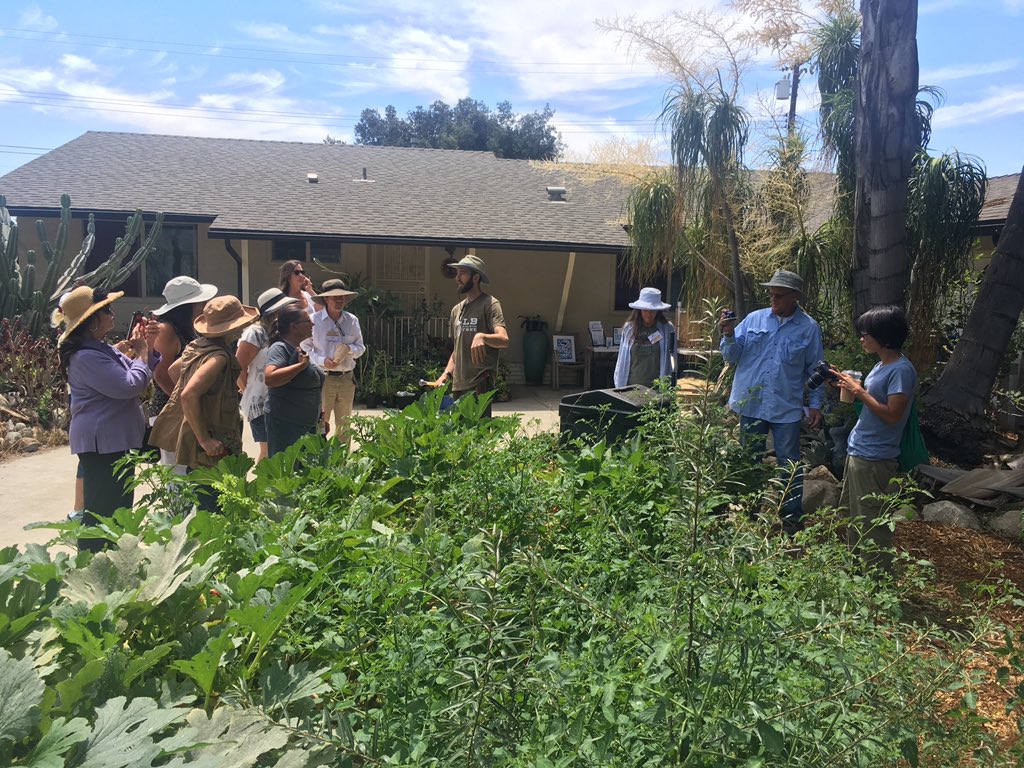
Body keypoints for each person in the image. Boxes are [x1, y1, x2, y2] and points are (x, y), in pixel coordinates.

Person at [718, 269, 825, 533]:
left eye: (779, 295)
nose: (773, 299)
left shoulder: (808, 328)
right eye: (771, 293)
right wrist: (729, 334)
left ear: (795, 297)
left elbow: (817, 369)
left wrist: (815, 404)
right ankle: (747, 513)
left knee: (788, 465)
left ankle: (791, 521)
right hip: (751, 405)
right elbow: (731, 358)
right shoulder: (753, 320)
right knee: (749, 461)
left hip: (785, 407)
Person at [57, 286, 152, 551]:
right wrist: (142, 353)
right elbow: (129, 385)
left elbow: (135, 372)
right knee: (102, 510)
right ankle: (92, 563)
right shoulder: (87, 356)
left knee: (117, 507)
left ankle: (110, 560)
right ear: (92, 322)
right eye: (106, 311)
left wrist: (140, 350)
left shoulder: (100, 349)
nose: (112, 315)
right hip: (103, 443)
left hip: (112, 441)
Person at [150, 297, 258, 511]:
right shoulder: (219, 357)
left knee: (197, 496)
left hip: (197, 442)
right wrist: (205, 439)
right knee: (213, 506)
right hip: (214, 446)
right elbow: (188, 395)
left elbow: (173, 371)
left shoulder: (196, 346)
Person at [833, 306, 916, 572]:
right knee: (853, 516)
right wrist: (846, 383)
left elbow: (893, 415)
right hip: (860, 451)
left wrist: (858, 392)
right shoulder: (882, 365)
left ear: (884, 336)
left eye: (865, 333)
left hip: (875, 457)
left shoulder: (901, 370)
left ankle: (878, 583)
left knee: (871, 522)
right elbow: (871, 403)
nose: (861, 338)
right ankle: (855, 573)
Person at [149, 276, 218, 470]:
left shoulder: (188, 328)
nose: (203, 305)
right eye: (199, 302)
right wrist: (182, 404)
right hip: (170, 411)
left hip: (186, 407)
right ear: (188, 306)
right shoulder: (167, 330)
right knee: (177, 472)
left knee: (189, 470)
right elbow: (161, 374)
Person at [429, 256, 508, 417]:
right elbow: (456, 350)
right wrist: (446, 374)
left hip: (479, 383)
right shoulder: (456, 310)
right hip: (458, 385)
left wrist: (483, 337)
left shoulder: (490, 304)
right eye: (457, 273)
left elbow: (504, 339)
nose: (457, 278)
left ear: (476, 277)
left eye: (463, 273)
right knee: (459, 438)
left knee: (478, 437)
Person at [236, 288, 299, 461]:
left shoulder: (282, 332)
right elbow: (238, 367)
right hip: (260, 403)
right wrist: (246, 388)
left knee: (281, 451)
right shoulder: (256, 333)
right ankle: (261, 486)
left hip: (282, 399)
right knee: (268, 452)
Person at [264, 305, 326, 457]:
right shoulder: (280, 348)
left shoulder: (297, 348)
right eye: (307, 321)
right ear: (294, 327)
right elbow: (270, 378)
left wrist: (320, 416)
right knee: (286, 472)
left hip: (306, 424)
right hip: (286, 423)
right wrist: (300, 366)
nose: (312, 324)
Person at [309, 279, 364, 444]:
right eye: (335, 297)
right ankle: (320, 462)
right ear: (326, 299)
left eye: (342, 297)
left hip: (347, 378)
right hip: (323, 378)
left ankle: (342, 465)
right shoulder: (313, 320)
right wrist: (321, 360)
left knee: (345, 425)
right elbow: (304, 349)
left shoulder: (352, 320)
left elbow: (360, 348)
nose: (339, 300)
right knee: (320, 423)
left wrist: (350, 350)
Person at [613, 287, 676, 388]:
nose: (649, 314)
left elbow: (672, 360)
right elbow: (622, 360)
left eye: (652, 310)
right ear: (639, 310)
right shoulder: (629, 329)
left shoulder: (667, 329)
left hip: (656, 390)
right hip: (631, 388)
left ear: (658, 311)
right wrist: (620, 387)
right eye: (645, 310)